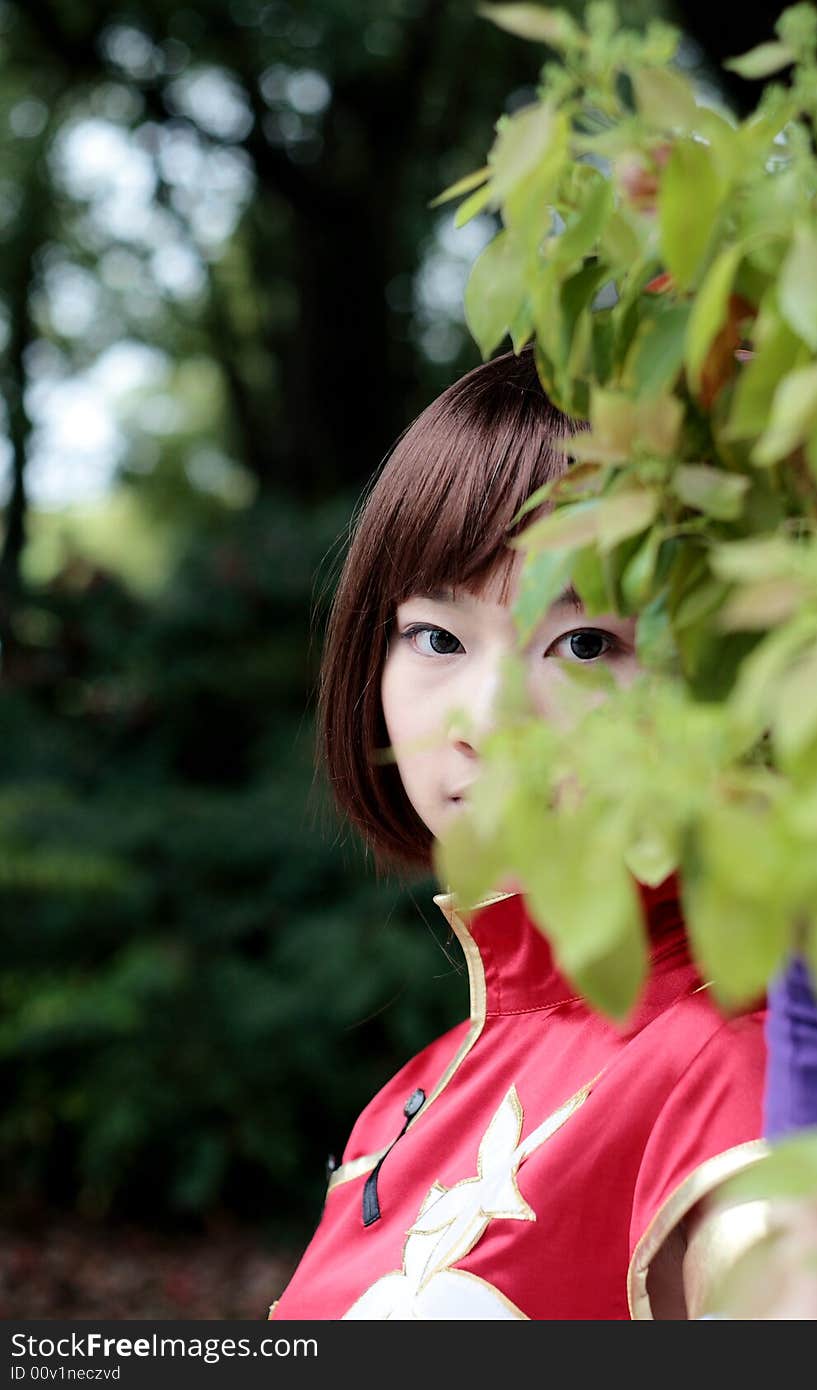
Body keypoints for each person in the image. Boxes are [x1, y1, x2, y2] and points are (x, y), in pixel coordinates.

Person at [268, 344, 768, 1320]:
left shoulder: (731, 1079)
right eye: (437, 637)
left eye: (586, 644)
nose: (487, 716)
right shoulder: (407, 1100)